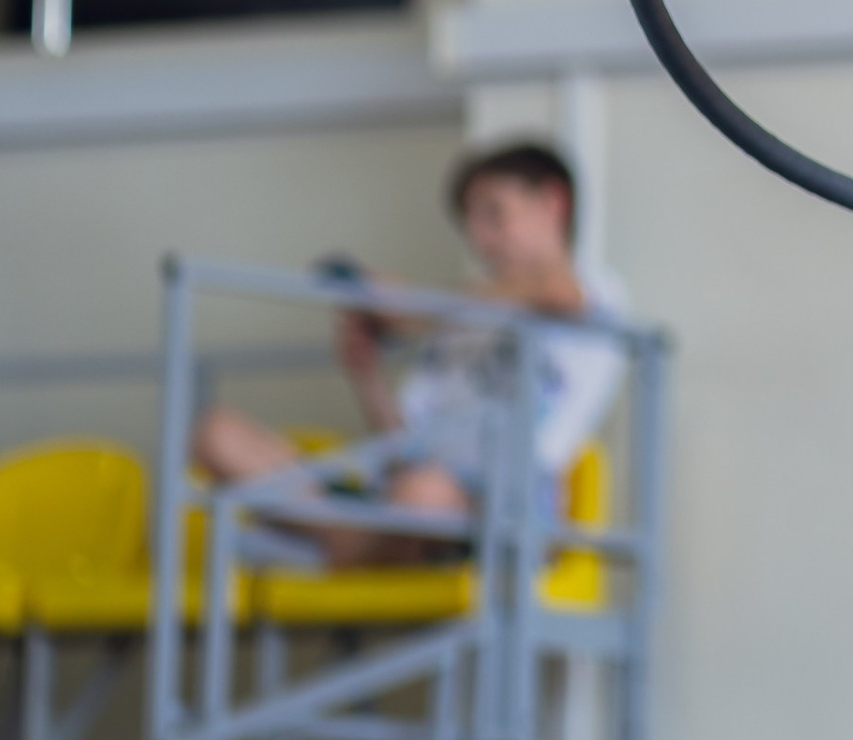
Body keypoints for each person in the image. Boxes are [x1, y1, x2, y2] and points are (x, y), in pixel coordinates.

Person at [192, 139, 626, 567]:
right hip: (407, 494)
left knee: (420, 494)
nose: (481, 240)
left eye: (495, 214)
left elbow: (559, 292)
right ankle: (348, 542)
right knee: (217, 433)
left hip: (500, 503)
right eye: (471, 224)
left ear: (553, 202)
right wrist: (366, 374)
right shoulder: (462, 322)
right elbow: (404, 443)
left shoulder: (593, 290)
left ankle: (336, 548)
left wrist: (415, 307)